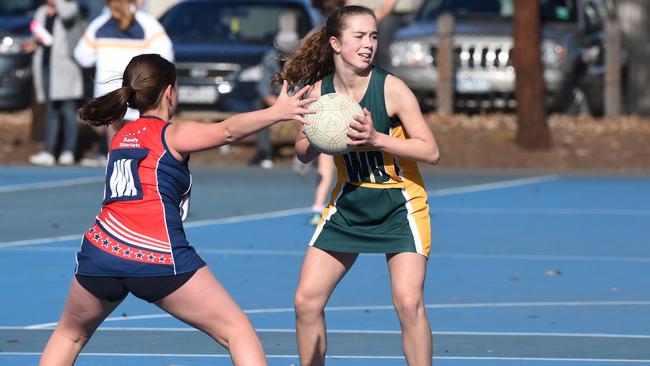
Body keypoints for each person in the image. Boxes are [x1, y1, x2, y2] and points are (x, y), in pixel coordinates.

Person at [38, 53, 315, 366]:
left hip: (100, 251)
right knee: (237, 331)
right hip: (155, 255)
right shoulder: (171, 134)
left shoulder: (120, 136)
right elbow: (226, 131)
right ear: (170, 91)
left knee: (69, 335)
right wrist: (277, 112)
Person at [276, 5, 439, 365]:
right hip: (350, 204)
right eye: (359, 36)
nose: (368, 44)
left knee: (408, 304)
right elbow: (302, 152)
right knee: (306, 302)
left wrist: (378, 138)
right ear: (335, 43)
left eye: (373, 36)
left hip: (400, 205)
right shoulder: (318, 94)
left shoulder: (392, 89)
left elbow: (431, 150)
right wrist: (321, 136)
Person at [74, 0, 174, 167]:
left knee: (115, 141)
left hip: (110, 93)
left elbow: (82, 56)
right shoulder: (147, 23)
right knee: (142, 135)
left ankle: (113, 163)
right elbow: (166, 54)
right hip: (138, 87)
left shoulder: (99, 24)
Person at [29, 0, 85, 166]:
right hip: (45, 66)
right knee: (50, 110)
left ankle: (69, 150)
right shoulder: (41, 11)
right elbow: (37, 35)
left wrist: (59, 3)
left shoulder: (70, 7)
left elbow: (67, 17)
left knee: (68, 110)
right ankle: (49, 151)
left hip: (65, 68)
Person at [248, 12, 301, 169]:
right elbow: (262, 86)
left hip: (299, 99)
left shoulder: (303, 61)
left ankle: (308, 153)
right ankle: (264, 152)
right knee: (258, 105)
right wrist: (272, 101)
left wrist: (294, 103)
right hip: (276, 100)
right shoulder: (270, 59)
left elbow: (308, 86)